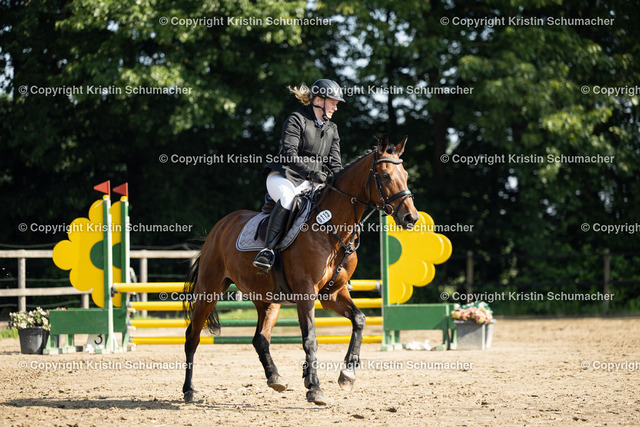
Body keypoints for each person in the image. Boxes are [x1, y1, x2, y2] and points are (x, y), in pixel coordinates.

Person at [253, 79, 345, 273]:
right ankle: (267, 251)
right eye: (333, 102)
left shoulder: (332, 129)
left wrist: (341, 185)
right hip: (284, 176)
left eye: (337, 103)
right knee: (288, 198)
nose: (336, 108)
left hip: (312, 182)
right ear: (318, 100)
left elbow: (336, 164)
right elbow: (289, 154)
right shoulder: (297, 118)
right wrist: (311, 173)